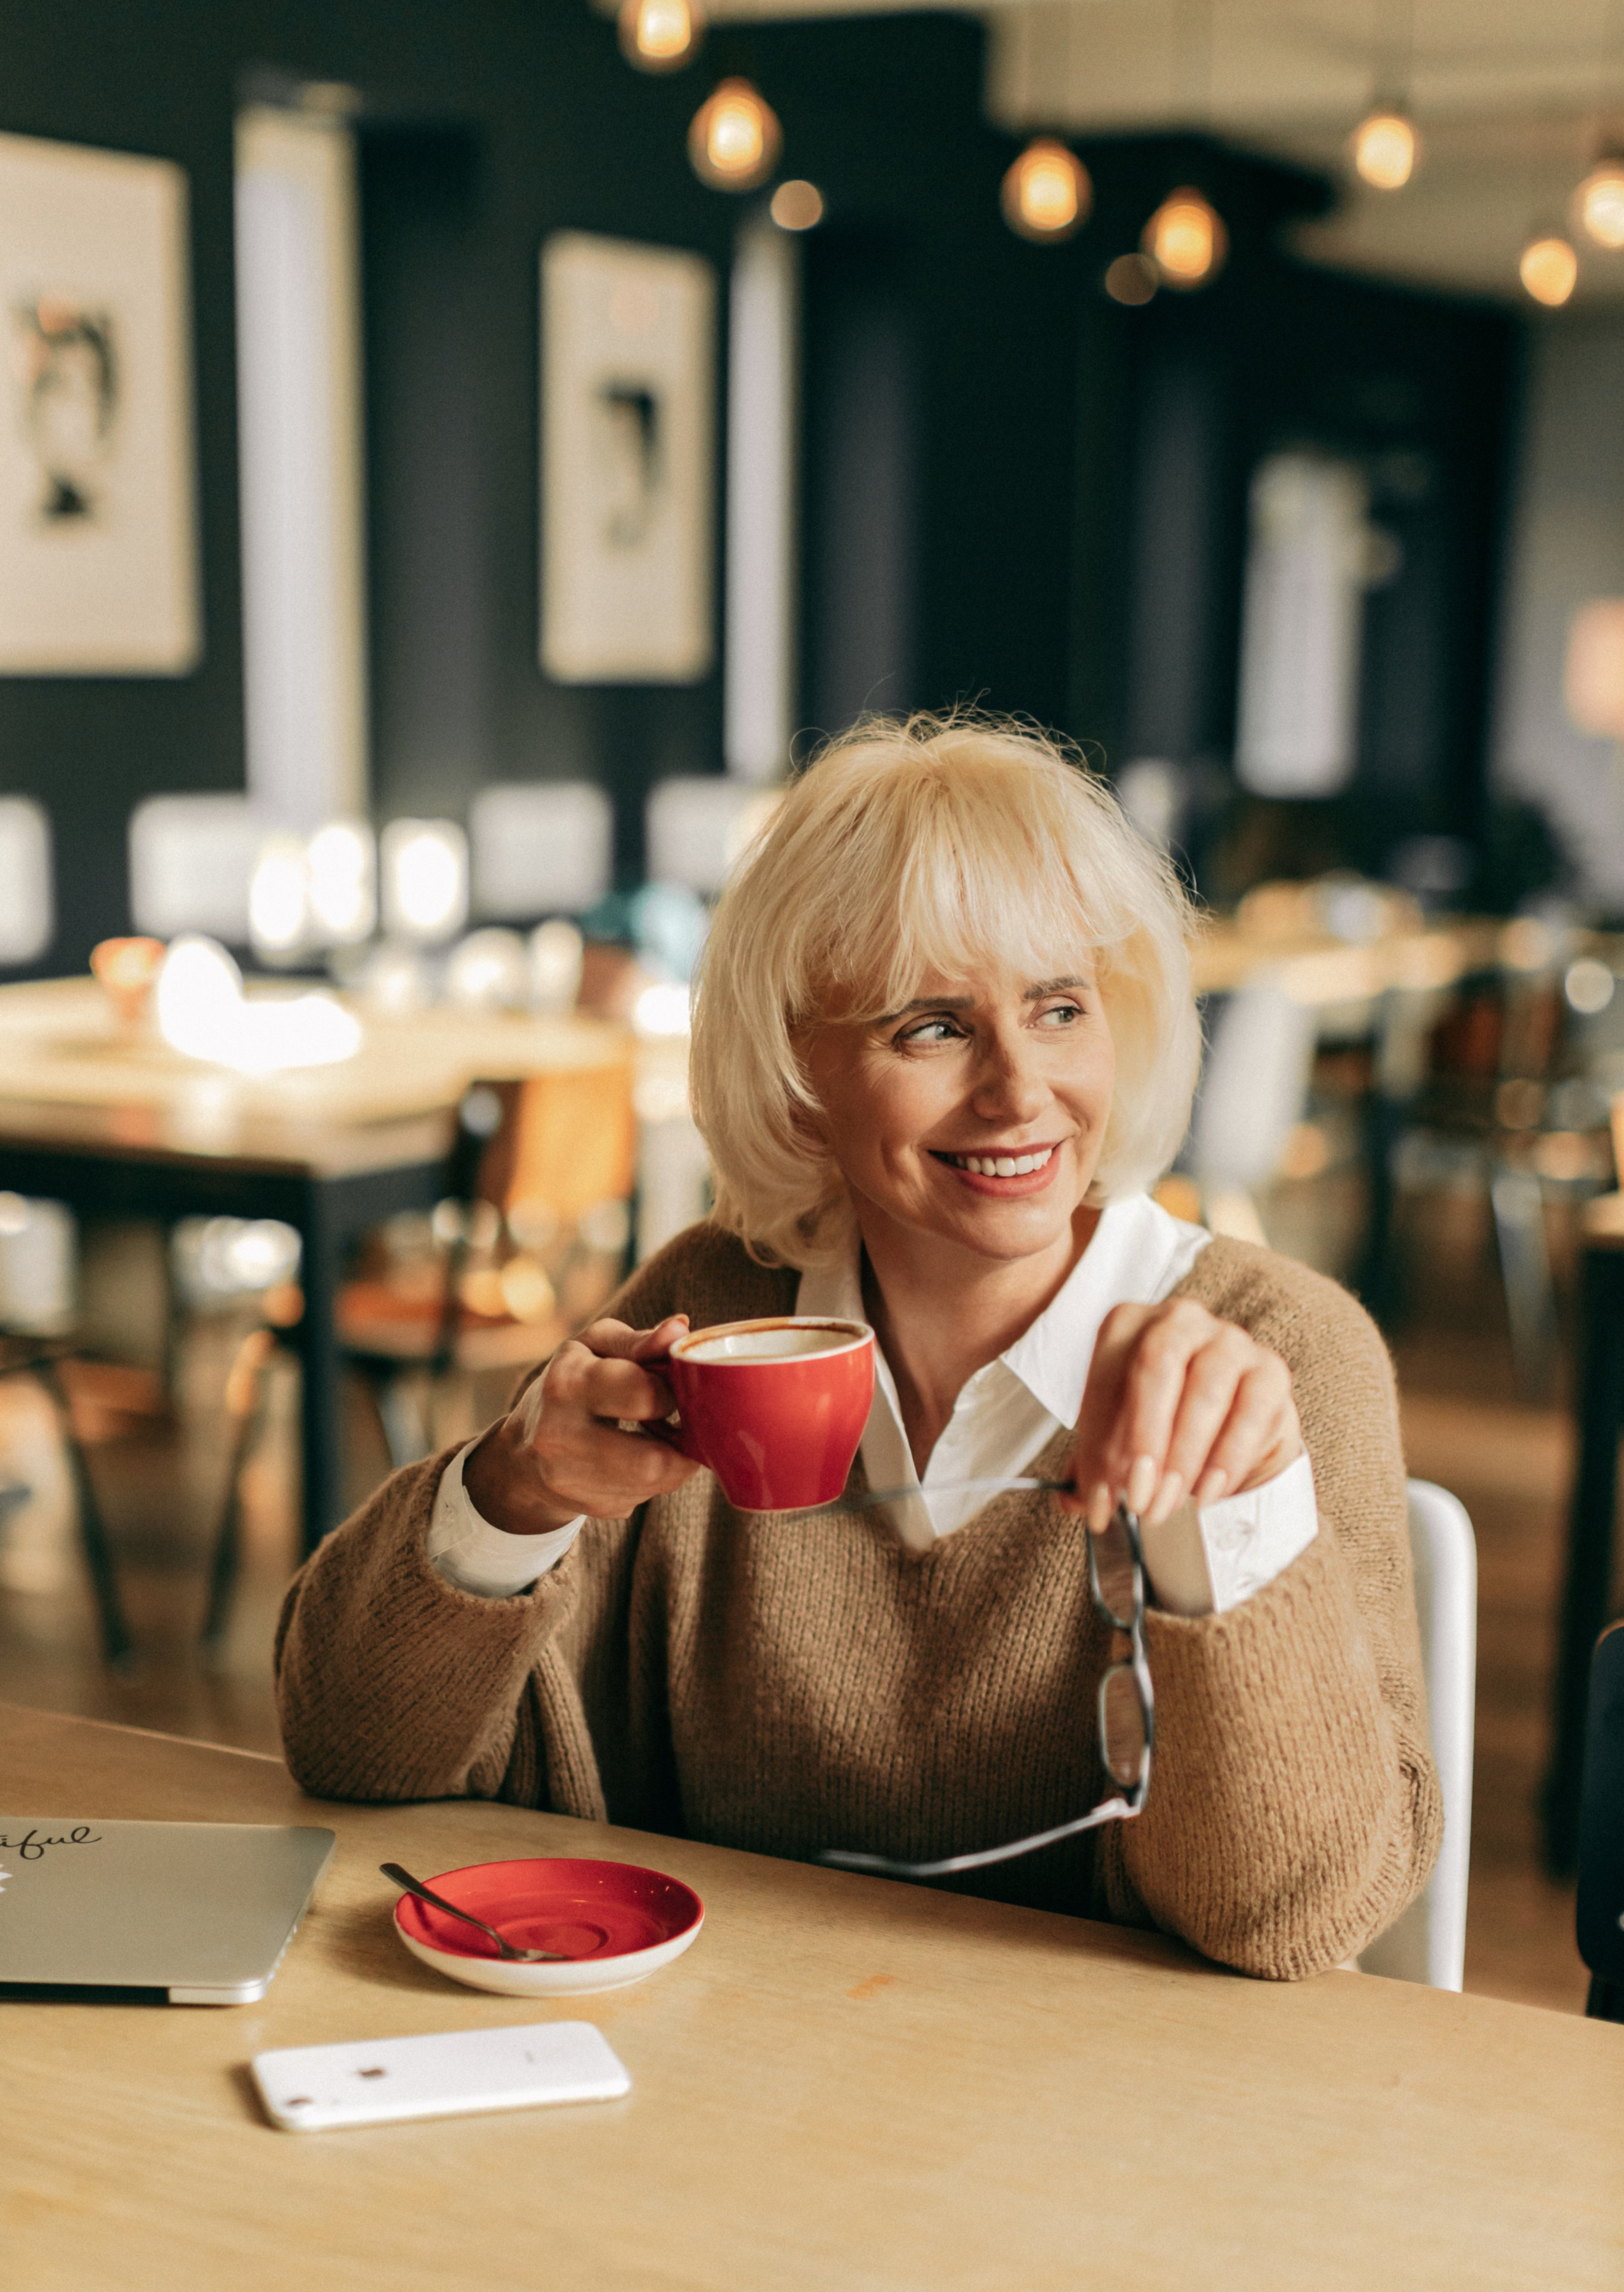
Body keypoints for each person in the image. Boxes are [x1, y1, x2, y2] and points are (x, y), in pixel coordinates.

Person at [277, 715, 1440, 1981]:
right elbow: (352, 1748)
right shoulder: (709, 1310)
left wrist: (1222, 1529)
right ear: (796, 1078)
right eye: (930, 1026)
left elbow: (1287, 1921)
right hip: (728, 2053)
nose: (1018, 1091)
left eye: (1059, 1008)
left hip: (1108, 2085)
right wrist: (511, 1494)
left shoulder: (1277, 1355)